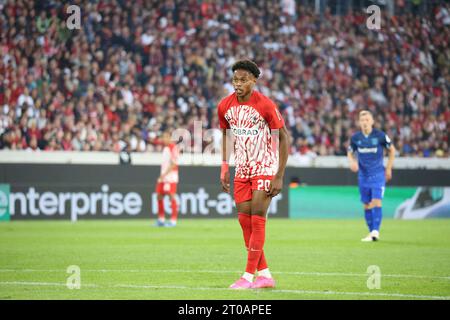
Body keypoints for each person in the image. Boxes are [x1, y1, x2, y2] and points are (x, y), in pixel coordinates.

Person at [218, 60, 289, 289]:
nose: (238, 84)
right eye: (235, 79)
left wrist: (278, 175)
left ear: (254, 81)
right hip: (242, 168)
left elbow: (284, 137)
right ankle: (265, 274)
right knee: (244, 221)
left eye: (243, 80)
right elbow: (227, 136)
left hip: (265, 166)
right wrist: (224, 167)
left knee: (258, 218)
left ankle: (248, 277)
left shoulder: (266, 105)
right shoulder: (224, 106)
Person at [347, 110, 396, 242]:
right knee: (367, 204)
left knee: (376, 201)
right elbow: (350, 152)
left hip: (378, 174)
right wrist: (352, 162)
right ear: (359, 122)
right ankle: (371, 232)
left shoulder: (380, 136)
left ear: (372, 121)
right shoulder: (356, 138)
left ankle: (375, 232)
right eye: (362, 120)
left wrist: (389, 168)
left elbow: (392, 150)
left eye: (367, 120)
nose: (365, 122)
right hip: (363, 176)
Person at [155, 131, 179, 227]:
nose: (164, 139)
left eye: (166, 137)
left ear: (170, 138)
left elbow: (174, 164)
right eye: (163, 137)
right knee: (159, 196)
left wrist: (164, 175)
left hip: (170, 177)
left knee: (171, 196)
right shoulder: (165, 148)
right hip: (163, 177)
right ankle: (161, 219)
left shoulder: (173, 148)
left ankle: (173, 220)